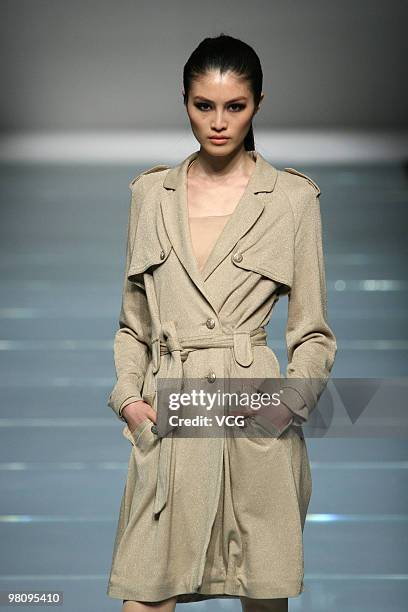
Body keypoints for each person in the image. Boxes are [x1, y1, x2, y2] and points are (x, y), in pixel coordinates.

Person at [106, 34, 337, 611]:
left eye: (234, 107)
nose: (218, 122)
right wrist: (130, 401)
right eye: (203, 106)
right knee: (144, 597)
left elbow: (312, 332)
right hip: (172, 414)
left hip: (252, 413)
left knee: (261, 598)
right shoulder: (149, 196)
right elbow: (133, 323)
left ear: (258, 103)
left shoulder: (290, 200)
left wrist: (286, 409)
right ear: (184, 102)